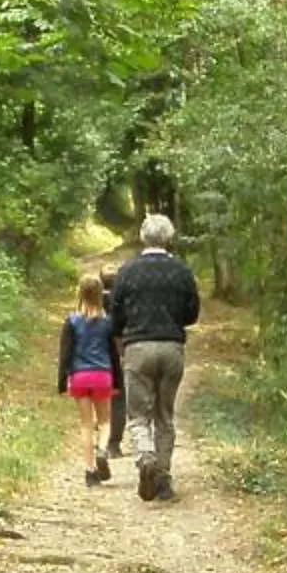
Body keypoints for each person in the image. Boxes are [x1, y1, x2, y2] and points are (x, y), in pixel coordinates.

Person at [106, 213, 199, 502]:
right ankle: (163, 479)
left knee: (138, 415)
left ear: (143, 237)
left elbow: (115, 316)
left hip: (138, 348)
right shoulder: (181, 271)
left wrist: (121, 339)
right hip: (172, 348)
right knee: (164, 415)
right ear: (168, 238)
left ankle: (145, 458)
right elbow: (192, 313)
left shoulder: (128, 271)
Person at [55, 273, 120, 484]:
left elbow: (65, 353)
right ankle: (103, 450)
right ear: (101, 295)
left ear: (79, 293)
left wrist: (62, 382)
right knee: (105, 421)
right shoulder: (107, 323)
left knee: (86, 425)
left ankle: (90, 471)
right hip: (102, 376)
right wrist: (117, 381)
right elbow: (113, 354)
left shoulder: (71, 322)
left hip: (80, 377)